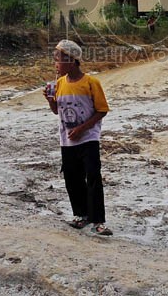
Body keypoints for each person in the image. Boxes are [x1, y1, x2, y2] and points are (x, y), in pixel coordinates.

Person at [43, 39, 112, 236]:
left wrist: (82, 128)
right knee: (72, 178)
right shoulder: (59, 84)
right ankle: (81, 215)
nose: (55, 64)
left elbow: (101, 111)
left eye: (59, 59)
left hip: (88, 138)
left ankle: (98, 220)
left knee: (92, 176)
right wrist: (50, 101)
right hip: (67, 140)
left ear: (72, 61)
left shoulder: (91, 83)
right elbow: (57, 111)